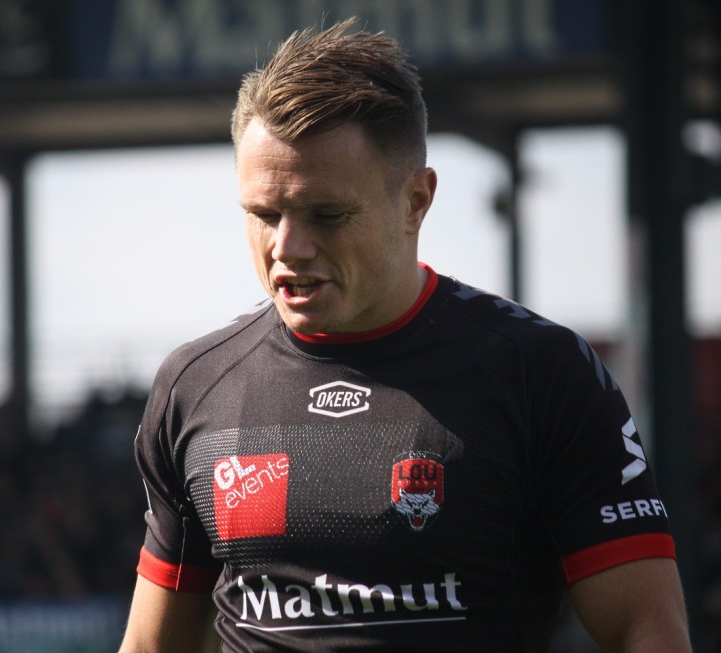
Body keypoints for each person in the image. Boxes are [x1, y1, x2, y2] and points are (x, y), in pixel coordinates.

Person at [118, 18, 691, 652]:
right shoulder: (194, 387)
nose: (288, 247)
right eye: (264, 214)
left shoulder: (541, 372)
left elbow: (647, 631)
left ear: (416, 201)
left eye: (327, 215)